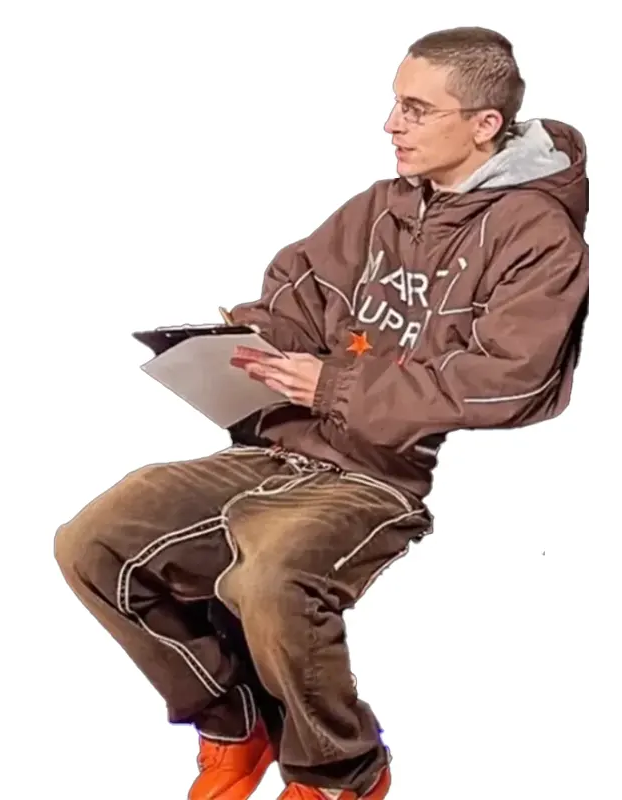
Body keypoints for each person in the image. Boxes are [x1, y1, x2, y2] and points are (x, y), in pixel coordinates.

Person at [54, 25, 588, 800]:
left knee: (269, 580)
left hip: (377, 476)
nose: (390, 124)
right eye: (394, 103)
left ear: (484, 124)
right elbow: (297, 298)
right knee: (94, 541)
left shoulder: (539, 236)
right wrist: (240, 341)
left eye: (415, 109)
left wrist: (332, 386)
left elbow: (513, 382)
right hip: (281, 448)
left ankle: (340, 772)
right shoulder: (380, 208)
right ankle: (235, 724)